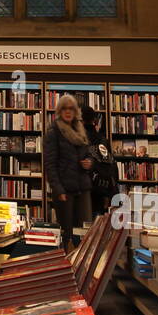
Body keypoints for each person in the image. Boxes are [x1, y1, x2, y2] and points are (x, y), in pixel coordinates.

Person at [43, 93, 95, 250]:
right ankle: (66, 266)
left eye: (71, 109)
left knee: (84, 231)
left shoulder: (80, 130)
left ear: (75, 112)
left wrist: (89, 163)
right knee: (66, 234)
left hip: (82, 187)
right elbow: (50, 164)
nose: (68, 112)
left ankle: (81, 266)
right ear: (59, 111)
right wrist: (58, 190)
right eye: (64, 108)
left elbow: (89, 154)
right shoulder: (53, 131)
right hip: (64, 190)